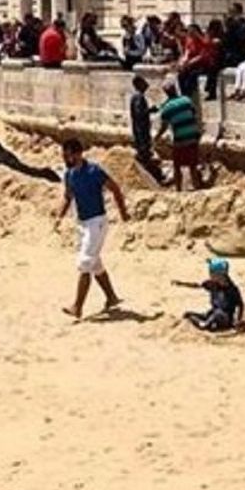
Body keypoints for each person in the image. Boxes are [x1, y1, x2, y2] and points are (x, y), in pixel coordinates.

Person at [57, 135, 128, 319]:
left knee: (84, 263)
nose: (66, 160)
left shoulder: (94, 171)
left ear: (79, 154)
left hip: (97, 223)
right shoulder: (69, 175)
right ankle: (111, 297)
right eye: (64, 156)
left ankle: (77, 307)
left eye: (68, 156)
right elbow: (68, 196)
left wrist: (123, 212)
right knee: (94, 263)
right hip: (81, 223)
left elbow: (115, 189)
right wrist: (59, 216)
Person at [173, 257, 245, 333]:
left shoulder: (232, 290)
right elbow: (197, 285)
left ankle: (205, 324)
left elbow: (240, 305)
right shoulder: (212, 284)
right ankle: (207, 322)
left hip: (225, 317)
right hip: (213, 312)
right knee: (188, 314)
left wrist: (237, 320)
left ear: (220, 274)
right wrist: (181, 283)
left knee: (218, 314)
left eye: (212, 273)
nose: (210, 275)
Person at [156, 80, 204, 191]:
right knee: (192, 165)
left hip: (180, 139)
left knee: (177, 166)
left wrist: (157, 137)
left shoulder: (166, 107)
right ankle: (196, 187)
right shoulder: (187, 100)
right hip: (193, 136)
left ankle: (178, 190)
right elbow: (194, 115)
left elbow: (164, 127)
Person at [127, 74, 169, 186]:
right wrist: (150, 110)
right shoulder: (138, 97)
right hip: (142, 132)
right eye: (144, 82)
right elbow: (139, 114)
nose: (147, 84)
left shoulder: (137, 97)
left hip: (141, 131)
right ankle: (156, 178)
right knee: (146, 155)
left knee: (146, 155)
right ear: (139, 84)